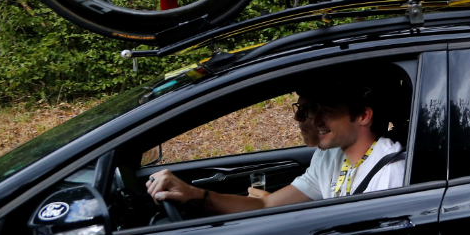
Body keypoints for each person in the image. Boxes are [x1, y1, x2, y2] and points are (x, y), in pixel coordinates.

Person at [147, 77, 407, 213]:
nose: (313, 120)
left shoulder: (389, 169)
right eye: (313, 111)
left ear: (363, 116)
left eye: (326, 111)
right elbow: (265, 205)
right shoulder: (329, 159)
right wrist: (195, 194)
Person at [248, 94, 322, 198]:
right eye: (298, 107)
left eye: (308, 109)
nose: (296, 117)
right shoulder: (323, 155)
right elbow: (267, 204)